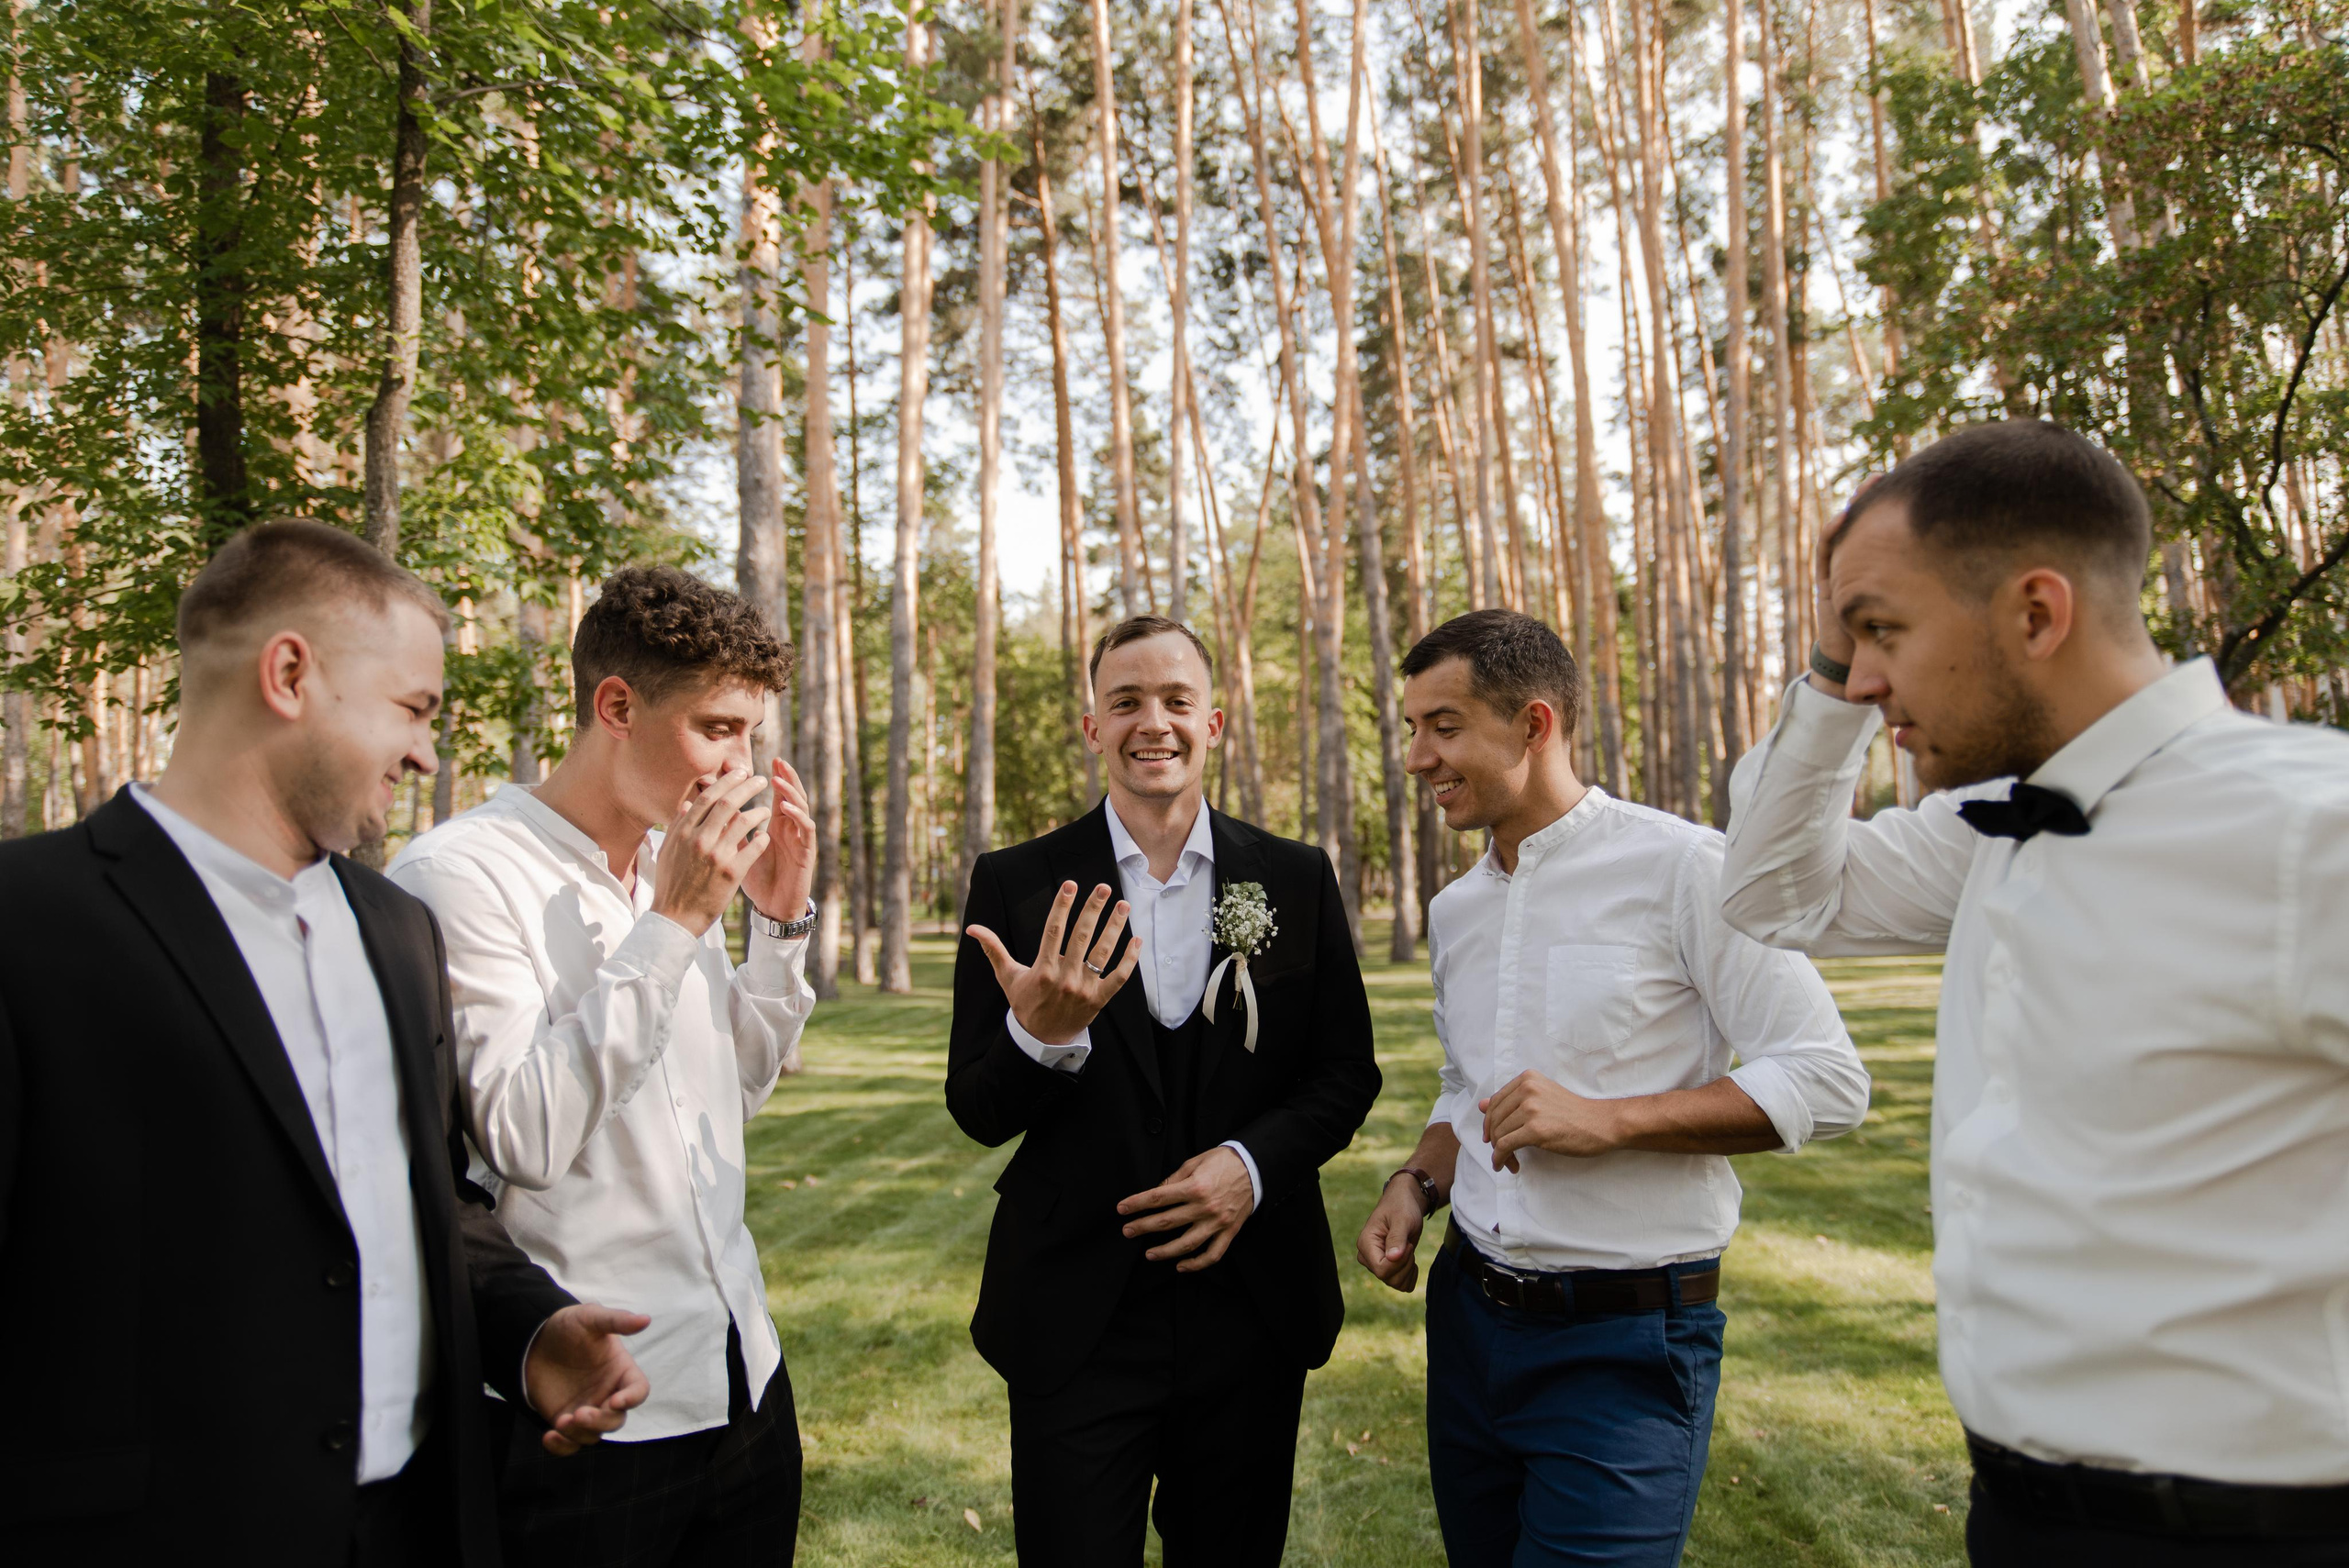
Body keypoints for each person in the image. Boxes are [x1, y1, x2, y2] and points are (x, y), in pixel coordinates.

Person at [1720, 420, 2349, 1567]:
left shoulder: (2314, 826)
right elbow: (1768, 892)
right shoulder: (1982, 832)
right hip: (2016, 1516)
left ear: (2036, 613)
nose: (1863, 682)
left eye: (1881, 632)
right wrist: (1823, 669)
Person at [0, 520, 649, 1565]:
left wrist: (529, 1327)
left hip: (413, 1529)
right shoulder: (27, 923)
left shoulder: (397, 931)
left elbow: (425, 1198)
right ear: (290, 673)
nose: (427, 751)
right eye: (412, 708)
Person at [1355, 609, 1869, 1568]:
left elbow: (1826, 1076)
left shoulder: (1688, 867)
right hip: (1468, 1323)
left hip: (1627, 1342)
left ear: (1534, 724)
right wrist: (1416, 1182)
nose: (1416, 755)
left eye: (1445, 725)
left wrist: (1610, 1119)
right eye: (1412, 727)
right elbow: (1466, 1082)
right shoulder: (1456, 910)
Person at [390, 565, 818, 1568]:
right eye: (717, 728)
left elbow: (730, 1097)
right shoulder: (460, 875)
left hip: (744, 1375)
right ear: (615, 705)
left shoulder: (675, 864)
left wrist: (781, 924)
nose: (739, 767)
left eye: (752, 736)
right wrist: (673, 923)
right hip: (597, 1408)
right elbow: (525, 1137)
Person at [946, 614, 1380, 1568]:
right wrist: (1038, 1035)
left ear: (1214, 722)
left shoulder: (1295, 878)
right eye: (1126, 700)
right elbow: (976, 1105)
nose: (1154, 721)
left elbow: (1345, 1071)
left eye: (1176, 700)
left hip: (1252, 1305)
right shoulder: (1017, 883)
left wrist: (1249, 1165)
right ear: (1091, 726)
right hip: (1075, 1311)